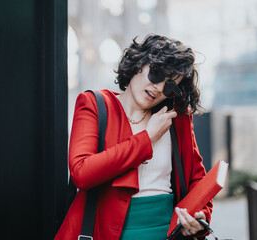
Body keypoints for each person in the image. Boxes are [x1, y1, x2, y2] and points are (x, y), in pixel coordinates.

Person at [55, 34, 213, 240]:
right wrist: (146, 138)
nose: (159, 88)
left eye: (169, 85)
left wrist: (200, 218)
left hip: (166, 232)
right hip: (106, 233)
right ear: (138, 63)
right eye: (156, 74)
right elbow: (81, 173)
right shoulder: (95, 104)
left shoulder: (175, 118)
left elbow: (197, 180)